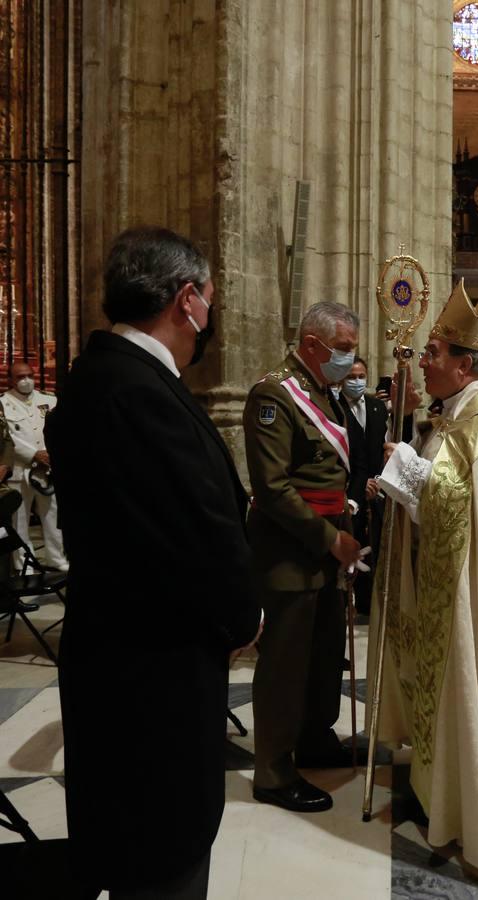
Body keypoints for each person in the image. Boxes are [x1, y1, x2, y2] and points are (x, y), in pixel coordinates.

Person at [45, 227, 261, 899]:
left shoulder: (107, 376)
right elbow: (191, 537)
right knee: (163, 857)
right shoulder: (134, 392)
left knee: (141, 843)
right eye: (210, 300)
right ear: (186, 299)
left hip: (122, 662)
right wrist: (242, 617)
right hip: (151, 677)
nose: (211, 316)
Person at [366, 277, 478, 871]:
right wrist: (406, 471)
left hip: (467, 591)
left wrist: (407, 469)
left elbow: (462, 504)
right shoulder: (457, 411)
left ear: (463, 365)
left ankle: (472, 816)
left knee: (467, 681)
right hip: (447, 577)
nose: (423, 364)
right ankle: (443, 795)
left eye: (434, 354)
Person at [243, 301, 363, 814]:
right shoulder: (275, 394)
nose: (349, 360)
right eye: (343, 350)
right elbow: (272, 488)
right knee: (286, 663)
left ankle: (315, 737)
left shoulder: (325, 395)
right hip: (292, 552)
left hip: (326, 545)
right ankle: (272, 769)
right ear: (312, 345)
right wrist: (328, 539)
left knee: (323, 653)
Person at [1, 363, 68, 571]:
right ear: (11, 379)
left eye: (30, 375)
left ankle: (57, 559)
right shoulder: (3, 403)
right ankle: (24, 566)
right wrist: (33, 454)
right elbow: (7, 438)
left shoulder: (49, 399)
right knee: (20, 521)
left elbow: (59, 428)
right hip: (20, 471)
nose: (26, 380)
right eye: (21, 376)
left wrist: (50, 453)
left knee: (53, 516)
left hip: (46, 470)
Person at [340, 356, 388, 614]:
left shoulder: (377, 407)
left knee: (373, 545)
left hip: (376, 487)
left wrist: (378, 481)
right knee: (353, 540)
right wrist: (356, 488)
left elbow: (382, 445)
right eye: (351, 377)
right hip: (351, 490)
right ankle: (347, 598)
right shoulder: (335, 407)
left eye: (361, 377)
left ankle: (369, 603)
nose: (357, 382)